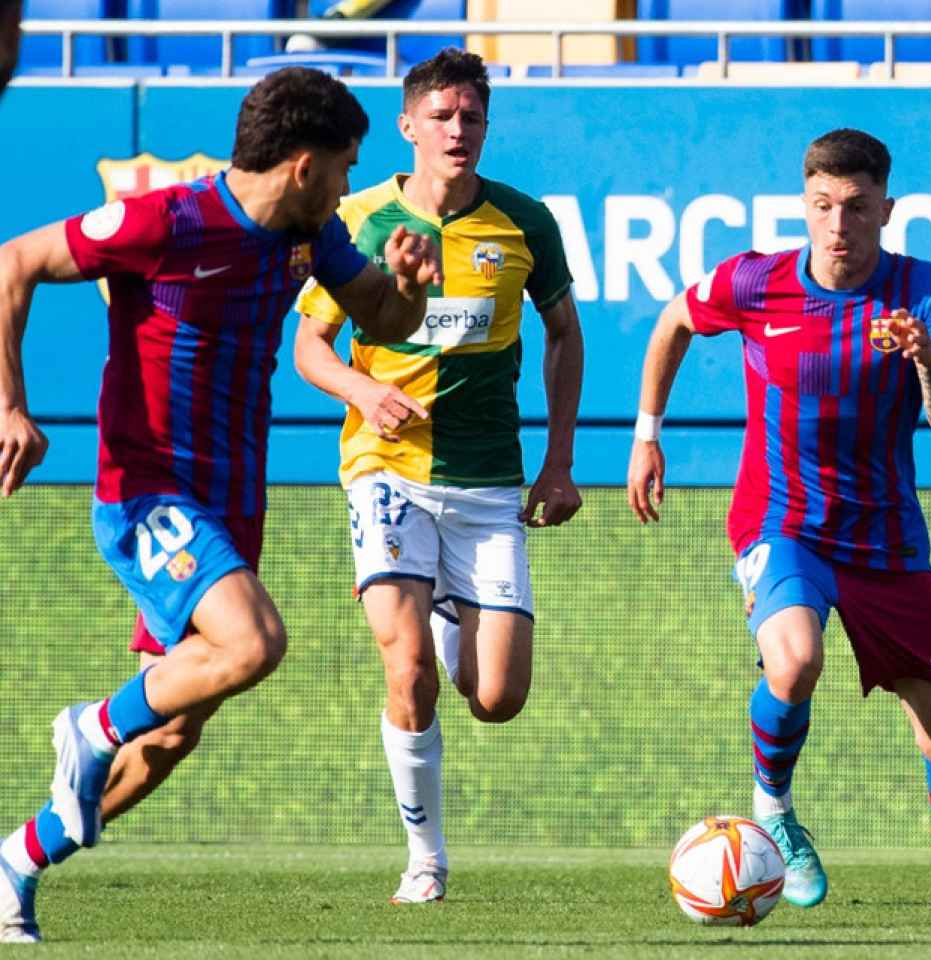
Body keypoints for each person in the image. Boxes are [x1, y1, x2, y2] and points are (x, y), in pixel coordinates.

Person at [0, 67, 442, 943]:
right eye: (349, 167)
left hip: (232, 505)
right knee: (253, 643)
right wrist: (10, 405)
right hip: (148, 490)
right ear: (307, 165)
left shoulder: (312, 239)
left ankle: (15, 863)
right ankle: (87, 726)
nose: (354, 186)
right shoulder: (166, 219)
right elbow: (12, 263)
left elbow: (383, 320)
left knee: (169, 737)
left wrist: (413, 282)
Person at [625, 128, 931, 925]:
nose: (838, 224)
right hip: (782, 524)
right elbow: (673, 320)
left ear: (886, 207)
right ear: (803, 206)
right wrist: (646, 432)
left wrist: (924, 368)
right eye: (822, 206)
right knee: (795, 658)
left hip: (885, 540)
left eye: (854, 207)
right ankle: (771, 809)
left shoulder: (925, 291)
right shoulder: (755, 282)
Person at [294, 48, 583, 905]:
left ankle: (451, 600)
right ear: (409, 124)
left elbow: (566, 335)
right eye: (445, 116)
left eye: (474, 118)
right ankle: (426, 857)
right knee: (408, 666)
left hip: (489, 481)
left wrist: (560, 463)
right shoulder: (357, 217)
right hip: (385, 470)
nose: (460, 131)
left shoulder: (525, 222)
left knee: (497, 698)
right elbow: (309, 345)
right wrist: (361, 386)